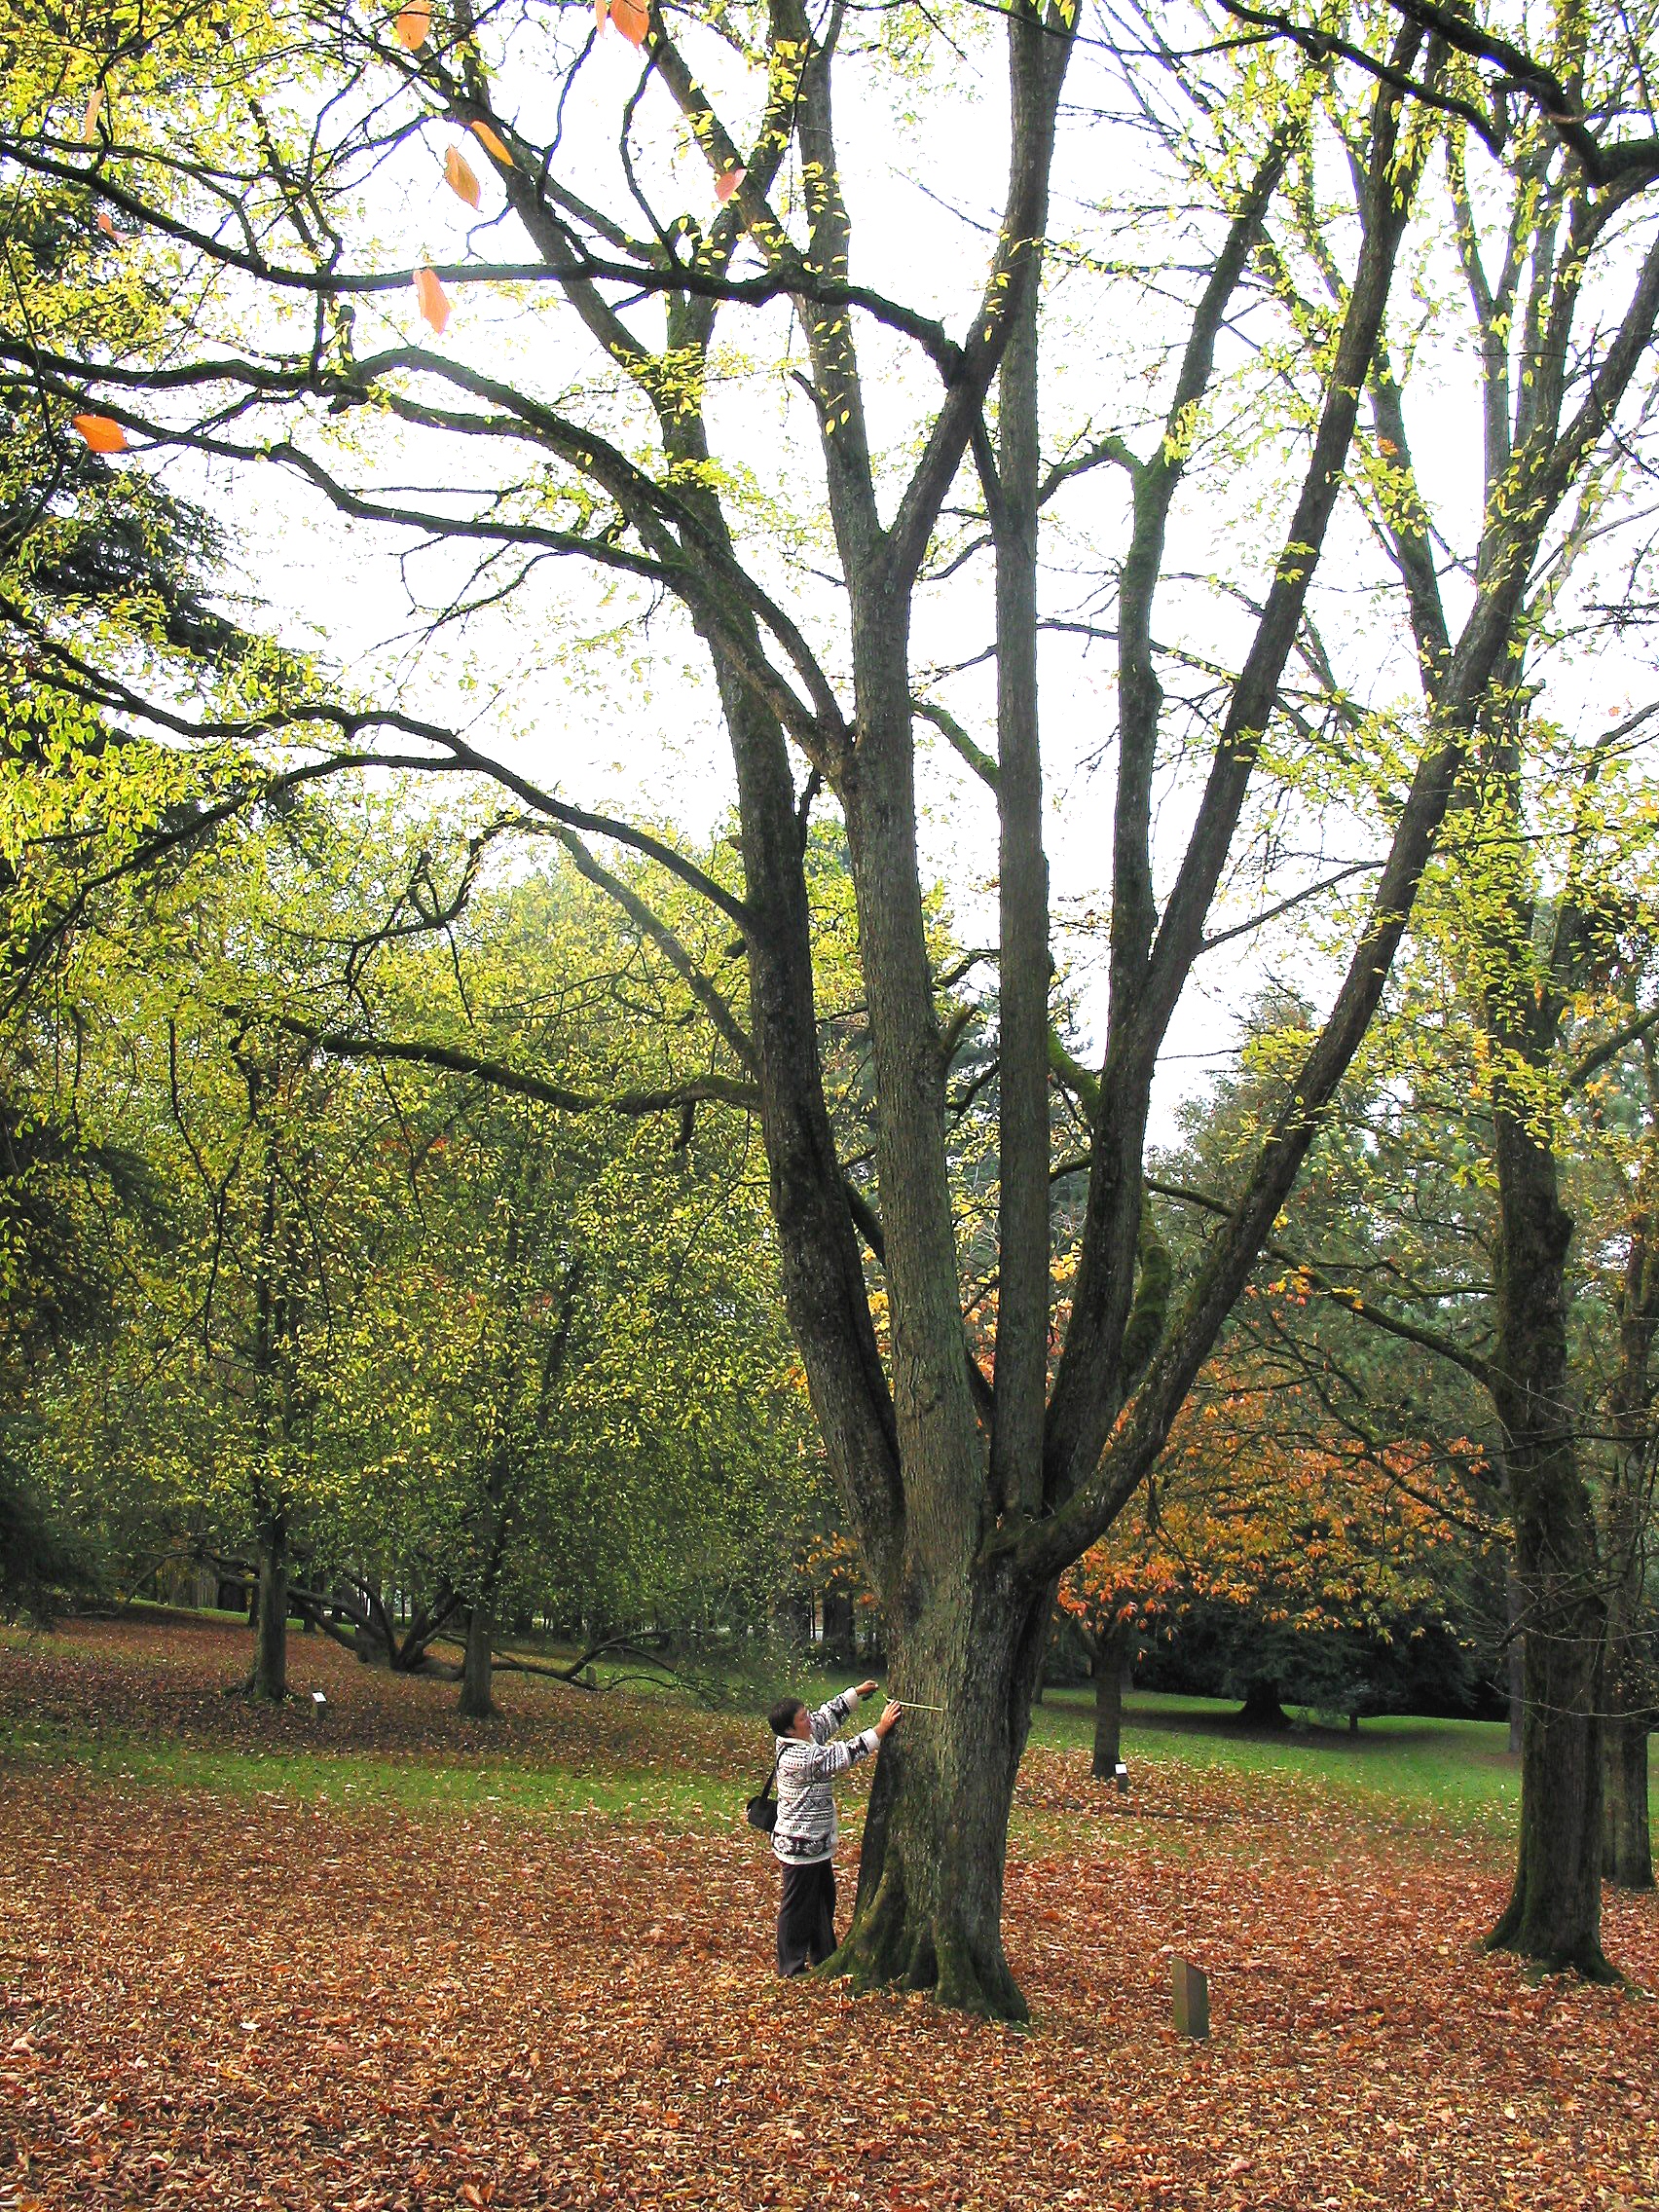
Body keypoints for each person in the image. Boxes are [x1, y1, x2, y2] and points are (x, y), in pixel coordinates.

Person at [765, 1678, 902, 1978]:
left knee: (824, 1900)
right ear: (790, 1729)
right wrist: (880, 1730)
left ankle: (824, 1956)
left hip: (816, 1845)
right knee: (797, 1907)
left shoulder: (806, 1737)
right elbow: (842, 1755)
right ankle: (790, 1966)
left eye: (806, 1713)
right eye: (803, 1718)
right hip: (800, 1847)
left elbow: (828, 1716)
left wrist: (855, 1693)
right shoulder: (800, 1758)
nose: (809, 1719)